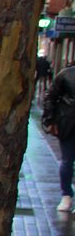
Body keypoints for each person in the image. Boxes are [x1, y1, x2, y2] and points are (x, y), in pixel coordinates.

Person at [42, 62, 75, 212]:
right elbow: (51, 96)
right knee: (67, 160)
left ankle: (66, 196)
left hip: (67, 122)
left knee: (67, 161)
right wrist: (50, 119)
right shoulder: (67, 74)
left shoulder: (65, 74)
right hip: (68, 124)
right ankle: (66, 195)